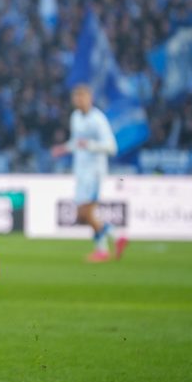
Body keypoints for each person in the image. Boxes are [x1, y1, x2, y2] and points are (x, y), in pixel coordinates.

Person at [50, 84, 128, 262]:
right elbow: (76, 142)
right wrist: (63, 148)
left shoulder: (98, 119)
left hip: (94, 173)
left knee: (86, 213)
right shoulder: (75, 117)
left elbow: (112, 147)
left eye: (82, 97)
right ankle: (116, 238)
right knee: (82, 216)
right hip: (80, 171)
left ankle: (104, 249)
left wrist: (90, 145)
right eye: (76, 97)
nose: (78, 100)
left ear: (90, 98)